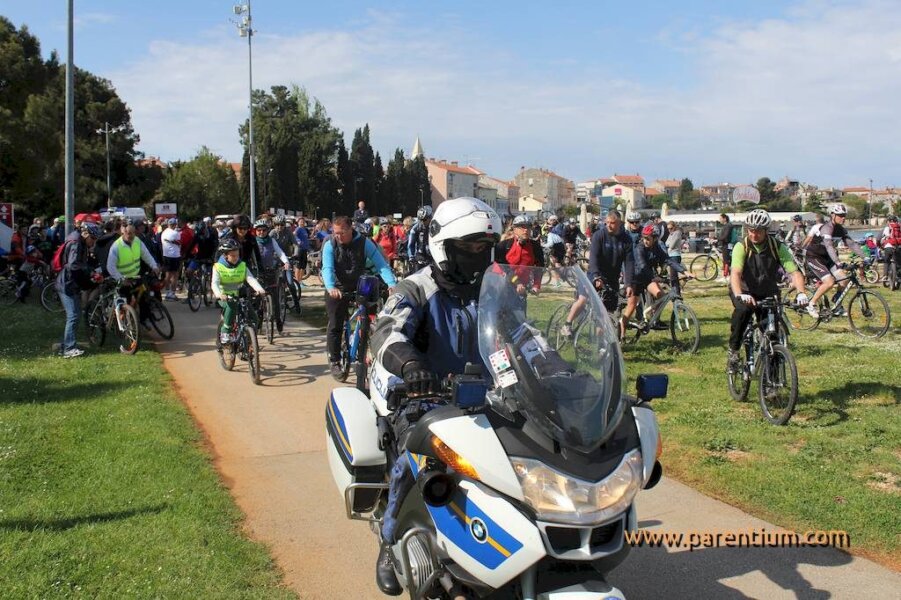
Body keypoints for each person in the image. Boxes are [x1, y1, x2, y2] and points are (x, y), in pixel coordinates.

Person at [369, 197, 501, 595]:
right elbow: (386, 331)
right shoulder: (416, 288)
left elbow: (520, 333)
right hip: (426, 398)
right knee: (413, 463)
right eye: (470, 246)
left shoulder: (494, 289)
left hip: (487, 396)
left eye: (485, 246)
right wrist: (411, 364)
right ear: (444, 246)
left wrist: (550, 363)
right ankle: (390, 541)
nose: (479, 254)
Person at [727, 209, 808, 370]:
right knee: (743, 312)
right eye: (751, 230)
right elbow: (735, 273)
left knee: (772, 336)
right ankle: (734, 351)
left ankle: (773, 380)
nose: (754, 234)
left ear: (766, 230)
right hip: (744, 290)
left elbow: (795, 273)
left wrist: (801, 293)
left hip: (767, 291)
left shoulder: (777, 246)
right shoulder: (741, 246)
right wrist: (740, 294)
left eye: (758, 231)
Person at [322, 216, 397, 380]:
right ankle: (334, 360)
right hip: (337, 287)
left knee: (371, 316)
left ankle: (369, 345)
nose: (338, 236)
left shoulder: (364, 243)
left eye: (342, 233)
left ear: (351, 229)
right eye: (335, 233)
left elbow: (381, 264)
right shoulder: (330, 244)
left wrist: (391, 284)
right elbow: (327, 268)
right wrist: (331, 287)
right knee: (335, 323)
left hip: (358, 285)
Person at [804, 203, 867, 318]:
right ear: (833, 215)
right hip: (815, 257)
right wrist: (838, 262)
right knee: (829, 282)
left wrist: (865, 257)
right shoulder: (827, 228)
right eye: (840, 215)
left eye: (844, 215)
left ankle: (837, 304)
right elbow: (829, 246)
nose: (843, 218)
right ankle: (811, 304)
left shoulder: (841, 229)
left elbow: (852, 244)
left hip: (828, 258)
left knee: (844, 279)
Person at [625, 224, 689, 325]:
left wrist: (684, 271)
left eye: (648, 238)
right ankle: (621, 328)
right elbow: (642, 266)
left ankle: (654, 319)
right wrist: (655, 277)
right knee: (631, 307)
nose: (645, 240)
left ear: (655, 239)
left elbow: (668, 260)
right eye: (644, 238)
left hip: (648, 279)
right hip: (636, 278)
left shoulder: (656, 247)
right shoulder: (639, 248)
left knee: (661, 296)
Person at [56, 223, 102, 358]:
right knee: (73, 316)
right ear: (85, 234)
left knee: (75, 315)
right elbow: (74, 265)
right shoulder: (76, 243)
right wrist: (91, 273)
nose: (93, 242)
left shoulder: (78, 241)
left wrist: (91, 272)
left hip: (69, 283)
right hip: (66, 284)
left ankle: (65, 346)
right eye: (93, 238)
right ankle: (69, 349)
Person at [106, 220, 161, 328]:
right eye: (129, 233)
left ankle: (143, 320)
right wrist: (121, 279)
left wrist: (154, 266)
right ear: (123, 232)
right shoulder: (116, 246)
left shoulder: (137, 241)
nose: (131, 236)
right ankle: (124, 325)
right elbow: (110, 267)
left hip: (135, 276)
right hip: (122, 278)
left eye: (133, 233)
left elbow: (146, 255)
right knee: (125, 302)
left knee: (143, 299)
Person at [212, 238, 266, 344]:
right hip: (224, 297)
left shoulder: (242, 265)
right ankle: (225, 333)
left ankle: (249, 342)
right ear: (225, 255)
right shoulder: (218, 267)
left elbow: (250, 279)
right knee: (231, 307)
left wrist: (259, 289)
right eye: (233, 255)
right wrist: (219, 294)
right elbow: (214, 283)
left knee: (254, 318)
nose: (236, 258)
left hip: (239, 295)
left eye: (237, 255)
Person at [253, 219, 292, 332]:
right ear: (255, 231)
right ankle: (259, 321)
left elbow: (279, 252)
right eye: (259, 230)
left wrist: (286, 262)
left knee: (274, 298)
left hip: (270, 271)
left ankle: (278, 320)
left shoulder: (271, 241)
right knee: (258, 298)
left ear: (267, 230)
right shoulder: (253, 242)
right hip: (257, 272)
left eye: (264, 230)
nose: (261, 232)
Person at [495, 215, 544, 294]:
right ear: (514, 229)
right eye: (522, 227)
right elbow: (504, 268)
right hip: (501, 286)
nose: (526, 230)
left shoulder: (535, 247)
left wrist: (536, 285)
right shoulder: (503, 246)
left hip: (522, 288)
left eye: (528, 227)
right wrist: (517, 283)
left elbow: (539, 268)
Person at [160, 217, 182, 300]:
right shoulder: (176, 233)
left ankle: (167, 292)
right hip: (175, 256)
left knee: (167, 275)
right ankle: (172, 294)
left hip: (166, 255)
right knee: (175, 276)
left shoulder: (164, 232)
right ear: (175, 224)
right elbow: (180, 243)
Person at [407, 205, 433, 272]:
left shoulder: (435, 227)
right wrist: (411, 257)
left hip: (433, 256)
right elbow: (411, 244)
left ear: (430, 217)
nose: (422, 222)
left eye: (424, 220)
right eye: (420, 219)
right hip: (420, 256)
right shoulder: (415, 228)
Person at [716, 213, 738, 282]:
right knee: (727, 260)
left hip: (727, 245)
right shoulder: (727, 226)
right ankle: (728, 276)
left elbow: (725, 236)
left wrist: (717, 239)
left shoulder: (728, 226)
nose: (719, 220)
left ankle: (726, 276)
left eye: (720, 218)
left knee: (727, 261)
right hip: (726, 245)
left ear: (724, 218)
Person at [665, 221, 684, 295]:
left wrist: (669, 244)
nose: (669, 230)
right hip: (671, 256)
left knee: (674, 276)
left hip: (675, 256)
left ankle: (677, 293)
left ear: (674, 227)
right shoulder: (671, 234)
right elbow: (667, 243)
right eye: (668, 229)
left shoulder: (677, 233)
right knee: (672, 276)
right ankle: (675, 291)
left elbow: (671, 245)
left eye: (671, 228)